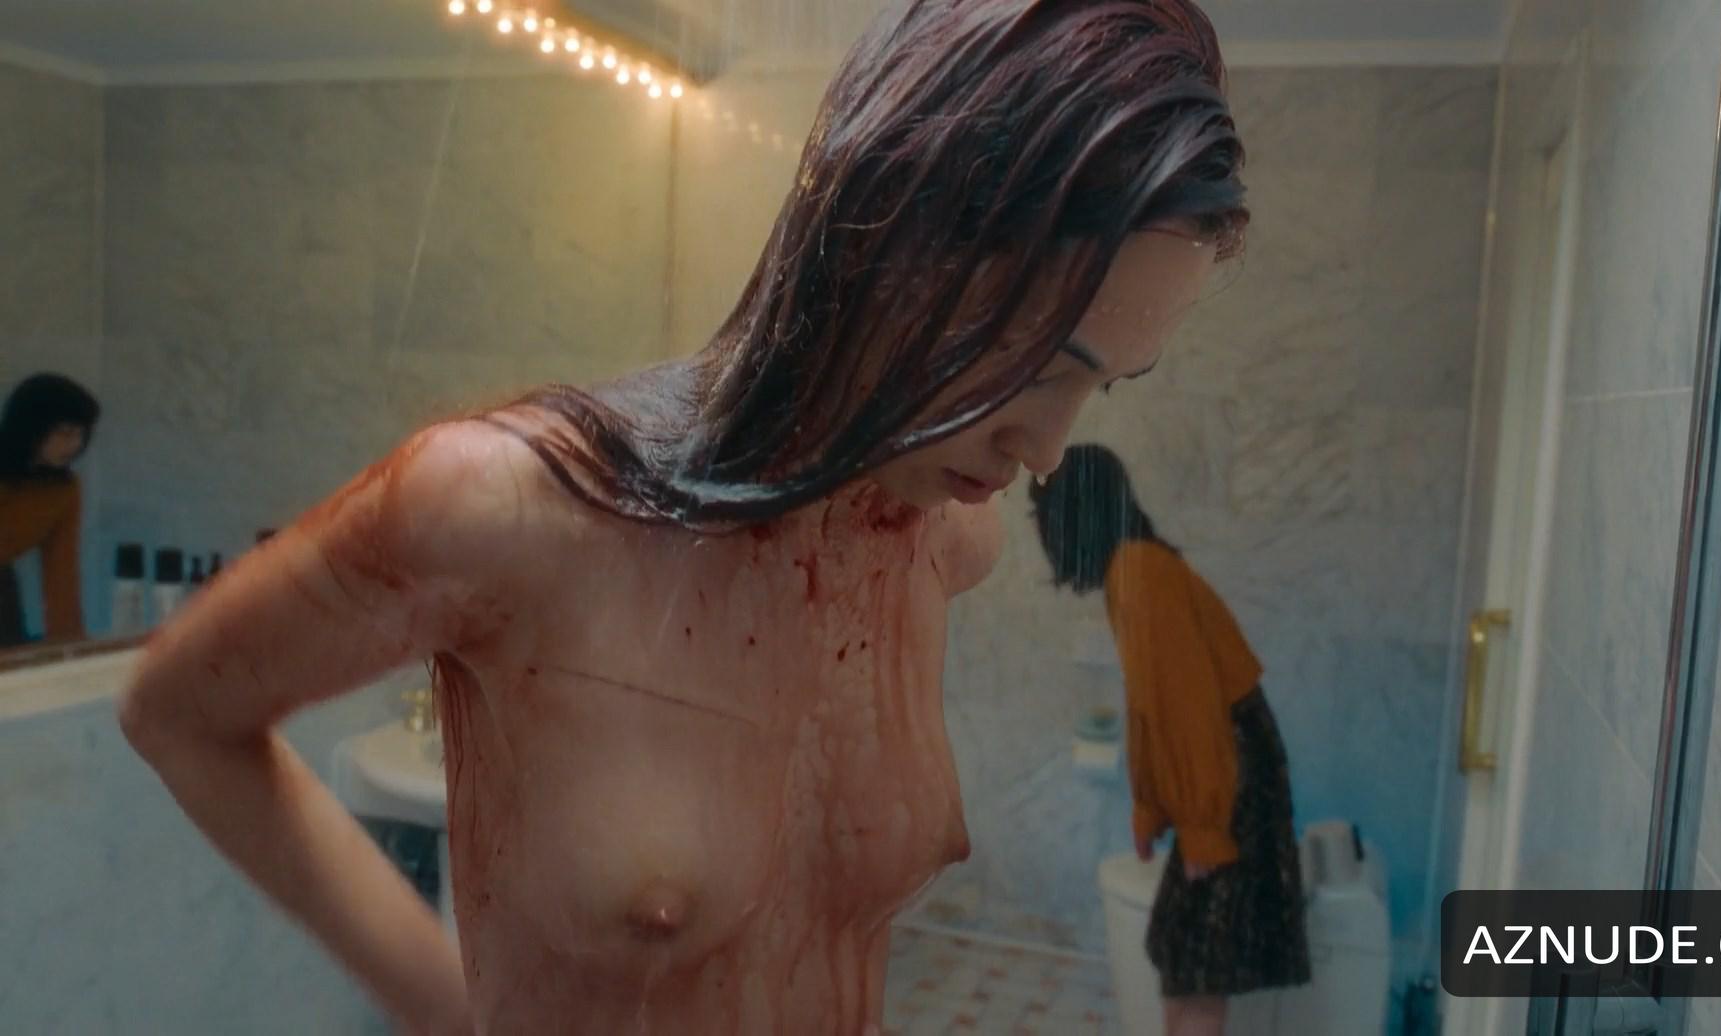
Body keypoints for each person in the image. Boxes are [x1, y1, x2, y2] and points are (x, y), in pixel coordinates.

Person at [118, 1, 1247, 1032]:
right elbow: (177, 711)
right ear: (891, 242)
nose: (1046, 452)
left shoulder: (943, 541)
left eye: (1104, 387)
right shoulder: (508, 508)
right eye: (1040, 364)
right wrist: (441, 1005)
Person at [1029, 443, 1309, 1036]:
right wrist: (1152, 806)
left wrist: (1203, 827)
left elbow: (1187, 712)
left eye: (1044, 514)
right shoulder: (1134, 569)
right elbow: (1153, 707)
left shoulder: (1140, 575)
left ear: (1072, 516)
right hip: (1231, 765)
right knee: (1183, 958)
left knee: (1199, 966)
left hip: (1229, 776)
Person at [0, 372, 99, 648]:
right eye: (64, 433)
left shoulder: (64, 490)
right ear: (33, 427)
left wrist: (70, 648)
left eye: (80, 434)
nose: (74, 445)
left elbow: (61, 576)